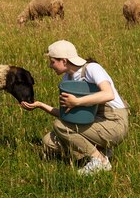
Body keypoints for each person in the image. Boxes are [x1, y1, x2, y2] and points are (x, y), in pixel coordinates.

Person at [21, 40, 129, 175]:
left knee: (60, 126)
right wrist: (41, 105)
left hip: (113, 122)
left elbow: (108, 94)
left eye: (52, 61)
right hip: (94, 123)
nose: (50, 66)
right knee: (49, 142)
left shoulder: (92, 69)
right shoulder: (67, 79)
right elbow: (67, 115)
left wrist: (77, 102)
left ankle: (100, 161)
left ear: (64, 61)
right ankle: (100, 150)